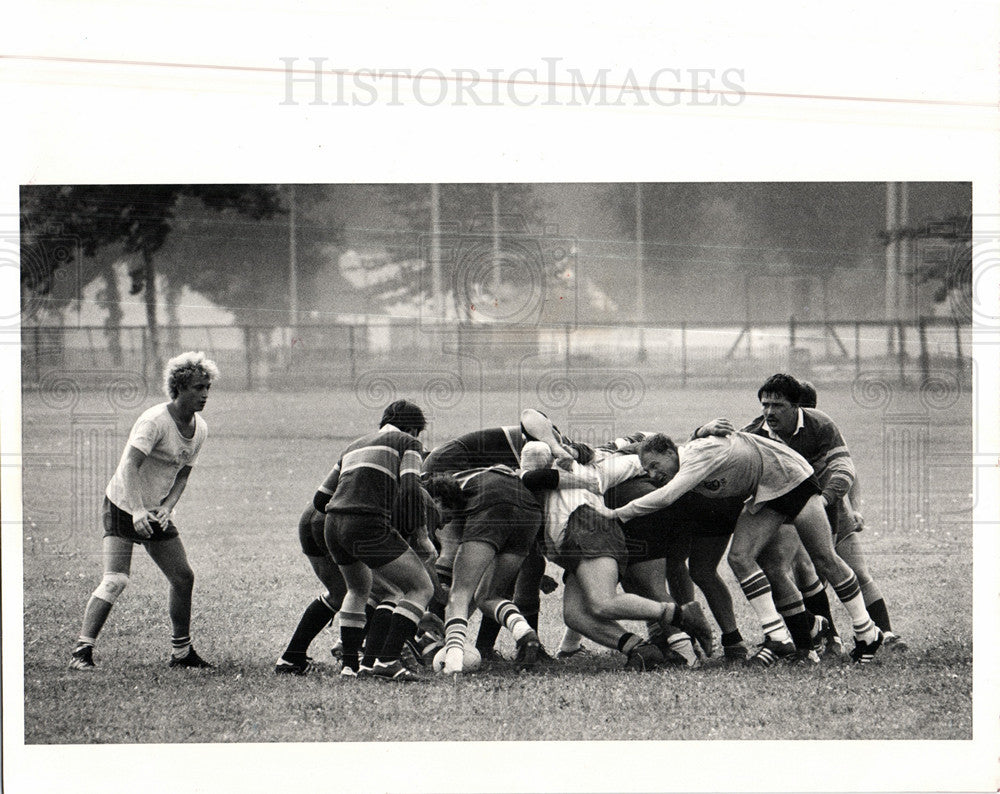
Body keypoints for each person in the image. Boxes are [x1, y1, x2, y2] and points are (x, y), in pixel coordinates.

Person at [602, 430, 885, 665]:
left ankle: (867, 632)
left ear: (669, 452)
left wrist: (617, 514)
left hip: (793, 479)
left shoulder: (695, 458)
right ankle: (779, 638)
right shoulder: (688, 451)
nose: (652, 474)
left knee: (824, 559)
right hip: (766, 493)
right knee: (740, 558)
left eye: (654, 465)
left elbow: (665, 497)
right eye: (647, 469)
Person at [70, 351, 218, 671]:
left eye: (207, 387)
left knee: (183, 577)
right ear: (178, 388)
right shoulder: (154, 421)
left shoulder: (201, 428)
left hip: (153, 510)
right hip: (124, 505)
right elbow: (129, 466)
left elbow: (182, 475)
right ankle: (81, 651)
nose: (205, 394)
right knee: (116, 580)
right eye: (197, 387)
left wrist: (166, 508)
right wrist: (137, 510)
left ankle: (181, 653)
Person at [519, 441, 715, 670]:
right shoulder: (587, 467)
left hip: (587, 528)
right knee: (575, 615)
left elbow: (535, 446)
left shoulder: (568, 467)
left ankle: (682, 615)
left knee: (604, 602)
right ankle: (639, 649)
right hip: (574, 542)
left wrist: (562, 453)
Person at [322, 399, 434, 682]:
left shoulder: (354, 446)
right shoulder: (407, 442)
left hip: (332, 525)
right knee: (420, 587)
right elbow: (411, 487)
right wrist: (421, 535)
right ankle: (387, 661)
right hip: (366, 523)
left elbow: (320, 498)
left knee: (358, 590)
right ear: (412, 428)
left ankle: (350, 666)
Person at [423, 466, 545, 673]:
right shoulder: (473, 479)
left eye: (445, 518)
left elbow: (445, 557)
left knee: (459, 593)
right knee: (488, 596)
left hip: (493, 504)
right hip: (530, 512)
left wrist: (440, 592)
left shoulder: (449, 493)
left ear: (436, 501)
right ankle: (525, 634)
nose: (442, 525)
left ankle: (452, 663)